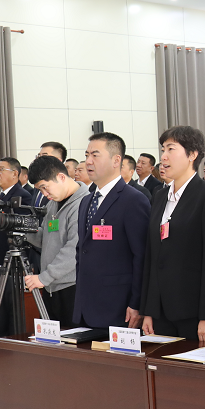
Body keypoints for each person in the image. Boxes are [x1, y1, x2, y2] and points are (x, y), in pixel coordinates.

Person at [141, 126, 205, 342]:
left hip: (194, 312)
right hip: (161, 311)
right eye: (163, 149)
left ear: (192, 155)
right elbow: (152, 256)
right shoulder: (159, 196)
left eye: (171, 149)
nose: (164, 156)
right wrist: (149, 310)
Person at [76, 132, 150, 330]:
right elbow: (82, 250)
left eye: (95, 155)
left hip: (119, 307)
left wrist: (137, 303)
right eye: (87, 155)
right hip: (86, 305)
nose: (88, 161)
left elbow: (141, 256)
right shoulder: (86, 201)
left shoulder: (133, 200)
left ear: (116, 160)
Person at [24, 155, 87, 331]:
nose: (44, 194)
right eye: (40, 190)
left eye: (45, 187)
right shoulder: (53, 204)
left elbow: (74, 249)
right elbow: (46, 238)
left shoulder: (83, 203)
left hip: (72, 288)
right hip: (51, 287)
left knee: (72, 341)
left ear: (61, 177)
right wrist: (23, 229)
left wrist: (44, 277)